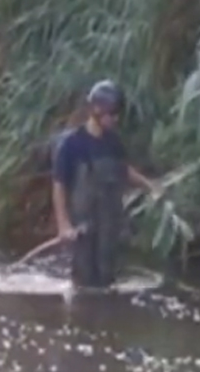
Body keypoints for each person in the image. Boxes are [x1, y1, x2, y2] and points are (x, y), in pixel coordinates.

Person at [51, 80, 160, 289]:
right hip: (83, 227)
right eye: (112, 113)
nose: (115, 119)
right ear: (96, 110)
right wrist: (64, 225)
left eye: (117, 114)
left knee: (108, 280)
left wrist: (150, 185)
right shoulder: (72, 144)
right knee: (83, 283)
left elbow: (124, 170)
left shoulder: (114, 142)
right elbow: (59, 185)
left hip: (109, 225)